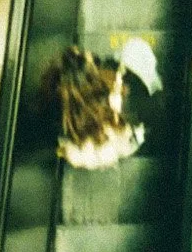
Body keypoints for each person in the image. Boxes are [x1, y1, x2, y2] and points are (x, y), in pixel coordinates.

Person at [41, 38, 162, 171]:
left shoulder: (64, 117)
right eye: (81, 55)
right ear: (92, 77)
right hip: (129, 136)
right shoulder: (122, 96)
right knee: (134, 47)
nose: (85, 52)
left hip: (107, 149)